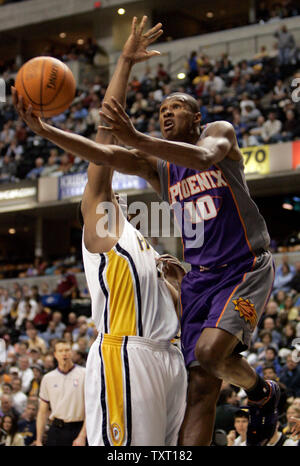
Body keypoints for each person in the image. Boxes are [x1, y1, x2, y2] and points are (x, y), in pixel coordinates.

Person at [12, 16, 278, 447]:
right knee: (203, 384)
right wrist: (48, 132)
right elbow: (103, 150)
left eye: (175, 107)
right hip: (142, 342)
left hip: (242, 267)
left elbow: (205, 158)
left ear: (196, 116)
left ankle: (260, 391)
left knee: (209, 359)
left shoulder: (217, 134)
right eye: (161, 110)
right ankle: (262, 390)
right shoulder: (123, 199)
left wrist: (138, 136)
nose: (166, 113)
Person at [13, 17, 187, 447]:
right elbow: (106, 132)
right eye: (99, 198)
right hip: (126, 355)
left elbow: (169, 316)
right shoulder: (104, 229)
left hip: (168, 355)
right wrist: (125, 63)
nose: (107, 197)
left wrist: (176, 288)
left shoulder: (142, 242)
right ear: (89, 212)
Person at [36, 339, 86, 446]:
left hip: (78, 429)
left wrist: (82, 436)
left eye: (67, 350)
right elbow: (42, 412)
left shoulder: (84, 374)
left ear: (71, 352)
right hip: (56, 429)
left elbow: (91, 409)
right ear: (55, 354)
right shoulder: (48, 378)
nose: (64, 353)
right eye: (60, 351)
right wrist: (39, 440)